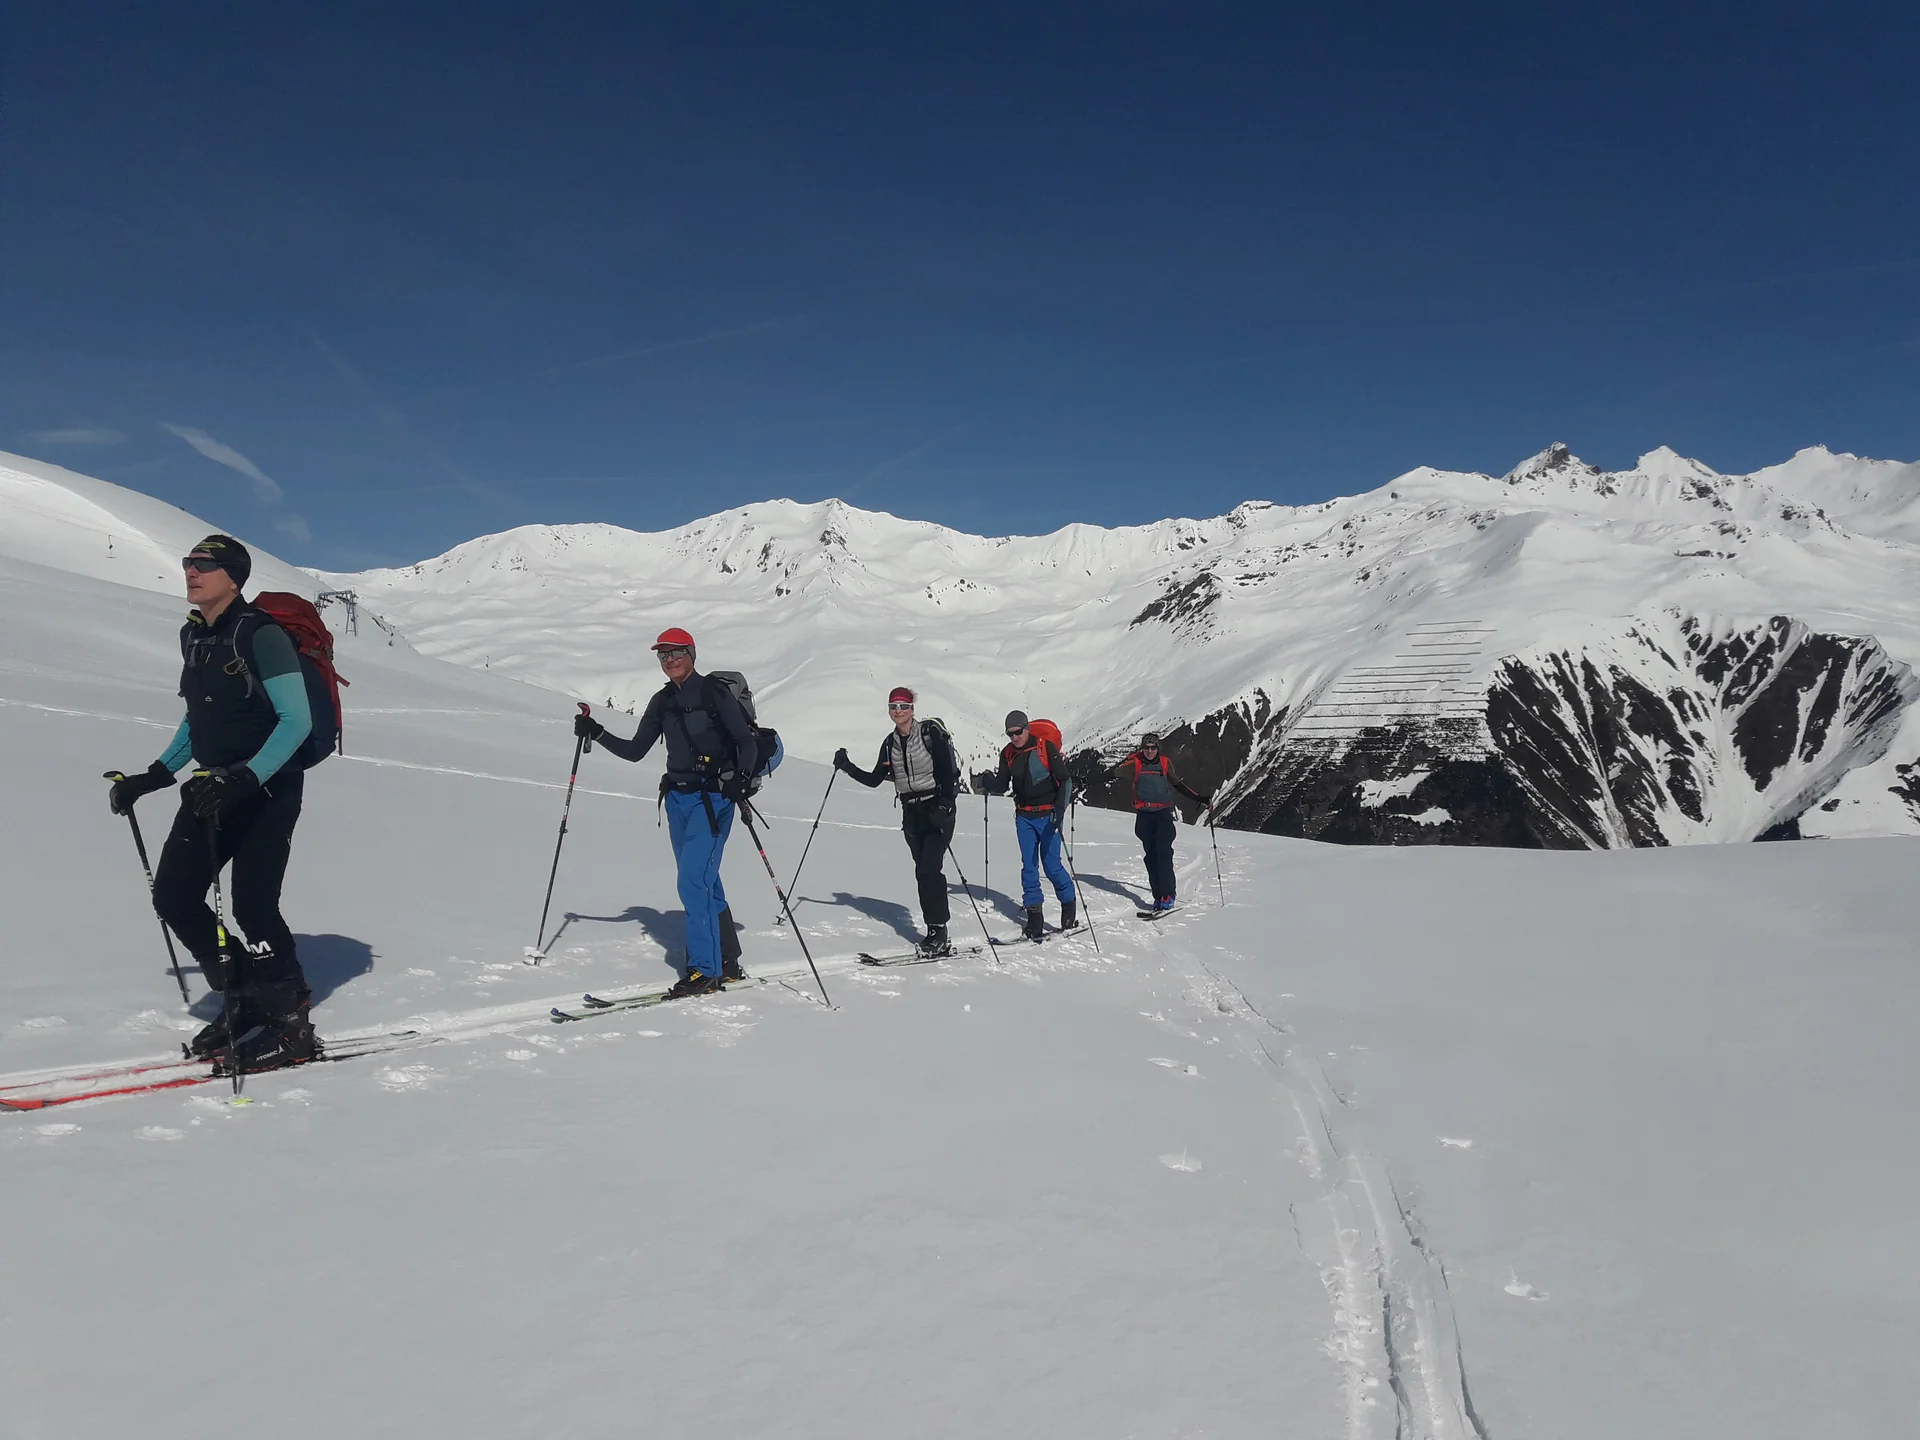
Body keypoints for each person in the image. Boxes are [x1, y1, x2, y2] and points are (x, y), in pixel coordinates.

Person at [105, 534, 319, 1069]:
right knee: (174, 896)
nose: (191, 571)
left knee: (253, 906)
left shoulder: (260, 634)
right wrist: (153, 776)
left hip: (266, 790)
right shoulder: (195, 636)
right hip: (211, 787)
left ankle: (290, 1022)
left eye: (204, 564)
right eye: (188, 562)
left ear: (234, 576)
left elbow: (297, 721)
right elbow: (197, 718)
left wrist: (244, 780)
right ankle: (245, 996)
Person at [573, 627, 756, 998]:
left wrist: (740, 779)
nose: (669, 660)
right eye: (663, 655)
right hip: (677, 800)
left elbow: (746, 742)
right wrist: (597, 731)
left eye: (676, 653)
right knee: (705, 881)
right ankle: (727, 962)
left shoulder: (714, 693)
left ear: (691, 653)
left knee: (692, 882)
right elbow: (636, 750)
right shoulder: (662, 701)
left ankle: (704, 969)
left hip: (713, 800)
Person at [833, 687, 961, 957]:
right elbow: (875, 779)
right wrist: (847, 766)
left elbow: (949, 773)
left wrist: (946, 804)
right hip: (911, 812)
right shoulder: (889, 743)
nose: (898, 711)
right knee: (922, 871)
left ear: (913, 708)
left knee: (929, 869)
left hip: (936, 806)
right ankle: (935, 930)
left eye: (903, 706)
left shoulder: (930, 734)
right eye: (893, 706)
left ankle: (938, 930)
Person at [991, 710, 1076, 941]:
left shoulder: (1045, 747)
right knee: (1029, 867)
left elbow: (1065, 779)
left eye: (1018, 732)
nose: (1015, 737)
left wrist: (1060, 809)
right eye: (1010, 734)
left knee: (1051, 866)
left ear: (1026, 728)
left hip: (1049, 816)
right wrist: (989, 782)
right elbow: (1002, 784)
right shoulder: (1008, 753)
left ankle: (1068, 903)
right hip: (1024, 817)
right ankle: (1035, 918)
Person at [1113, 732, 1211, 911]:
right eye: (1146, 748)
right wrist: (1084, 781)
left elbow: (1178, 785)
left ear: (1158, 748)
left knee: (1163, 853)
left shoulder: (1165, 763)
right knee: (1151, 857)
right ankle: (1158, 896)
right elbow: (1111, 773)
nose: (1150, 751)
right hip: (1144, 816)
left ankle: (1167, 895)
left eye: (1153, 748)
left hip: (1163, 815)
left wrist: (1200, 798)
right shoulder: (1135, 764)